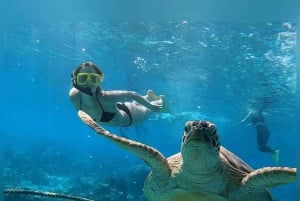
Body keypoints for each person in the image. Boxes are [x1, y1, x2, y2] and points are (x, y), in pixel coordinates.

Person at [69, 61, 165, 127]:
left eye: (94, 79)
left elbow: (133, 95)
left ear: (99, 82)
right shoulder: (74, 95)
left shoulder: (106, 98)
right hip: (119, 107)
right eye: (83, 78)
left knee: (148, 109)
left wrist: (152, 107)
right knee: (134, 104)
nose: (88, 83)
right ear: (76, 81)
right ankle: (148, 96)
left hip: (132, 116)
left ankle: (160, 100)